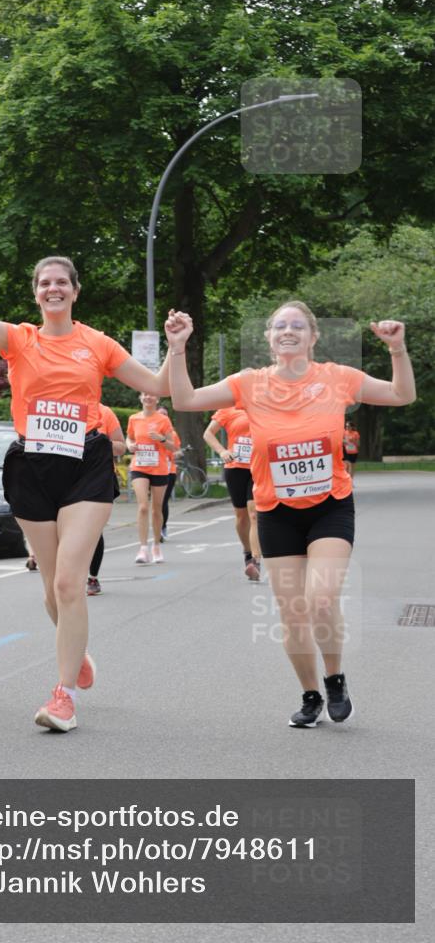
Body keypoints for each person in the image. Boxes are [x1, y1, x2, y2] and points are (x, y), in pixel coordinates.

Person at [166, 301, 415, 728]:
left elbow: (401, 394)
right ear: (268, 337)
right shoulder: (249, 383)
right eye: (279, 325)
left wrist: (396, 349)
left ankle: (335, 678)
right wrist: (176, 348)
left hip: (329, 507)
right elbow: (185, 400)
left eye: (297, 326)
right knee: (292, 613)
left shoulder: (337, 377)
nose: (288, 331)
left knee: (321, 599)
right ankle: (310, 694)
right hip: (276, 511)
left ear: (313, 337)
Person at [0, 255, 171, 732]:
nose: (52, 288)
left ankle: (64, 698)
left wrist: (175, 347)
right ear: (36, 292)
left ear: (75, 291)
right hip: (31, 466)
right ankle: (76, 654)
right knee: (51, 588)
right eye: (44, 282)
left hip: (85, 465)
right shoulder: (19, 339)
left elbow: (159, 384)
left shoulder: (97, 343)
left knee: (67, 584)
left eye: (61, 282)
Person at [204, 407, 262, 581]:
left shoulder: (263, 405)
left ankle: (256, 562)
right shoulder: (228, 409)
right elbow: (208, 433)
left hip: (259, 468)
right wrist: (222, 451)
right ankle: (248, 552)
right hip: (236, 468)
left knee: (254, 514)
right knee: (241, 516)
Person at [126, 394, 176, 565]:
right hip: (139, 466)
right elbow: (130, 437)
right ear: (140, 398)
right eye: (145, 394)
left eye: (152, 395)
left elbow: (173, 446)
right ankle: (143, 548)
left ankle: (156, 545)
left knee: (156, 509)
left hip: (158, 467)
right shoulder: (134, 418)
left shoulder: (163, 420)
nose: (148, 397)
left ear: (157, 399)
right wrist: (129, 445)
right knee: (143, 507)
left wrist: (161, 439)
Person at [87, 403, 126, 596]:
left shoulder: (104, 412)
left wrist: (100, 444)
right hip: (67, 477)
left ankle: (92, 577)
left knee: (93, 528)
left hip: (99, 478)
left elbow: (121, 447)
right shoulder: (61, 408)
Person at [157, 405, 180, 541]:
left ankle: (162, 527)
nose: (162, 417)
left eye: (165, 414)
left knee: (163, 501)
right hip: (152, 469)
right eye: (160, 414)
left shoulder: (172, 434)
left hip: (168, 471)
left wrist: (175, 453)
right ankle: (157, 527)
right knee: (155, 502)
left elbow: (176, 450)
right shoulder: (149, 431)